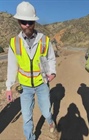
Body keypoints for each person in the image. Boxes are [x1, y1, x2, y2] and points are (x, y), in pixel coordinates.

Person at [5, 1, 56, 140]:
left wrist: (52, 73)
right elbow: (12, 66)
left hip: (42, 83)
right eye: (23, 21)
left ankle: (50, 121)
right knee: (27, 117)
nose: (27, 25)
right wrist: (9, 87)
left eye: (30, 22)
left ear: (34, 21)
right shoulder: (14, 42)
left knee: (46, 112)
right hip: (25, 87)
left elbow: (51, 58)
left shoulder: (44, 40)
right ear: (18, 22)